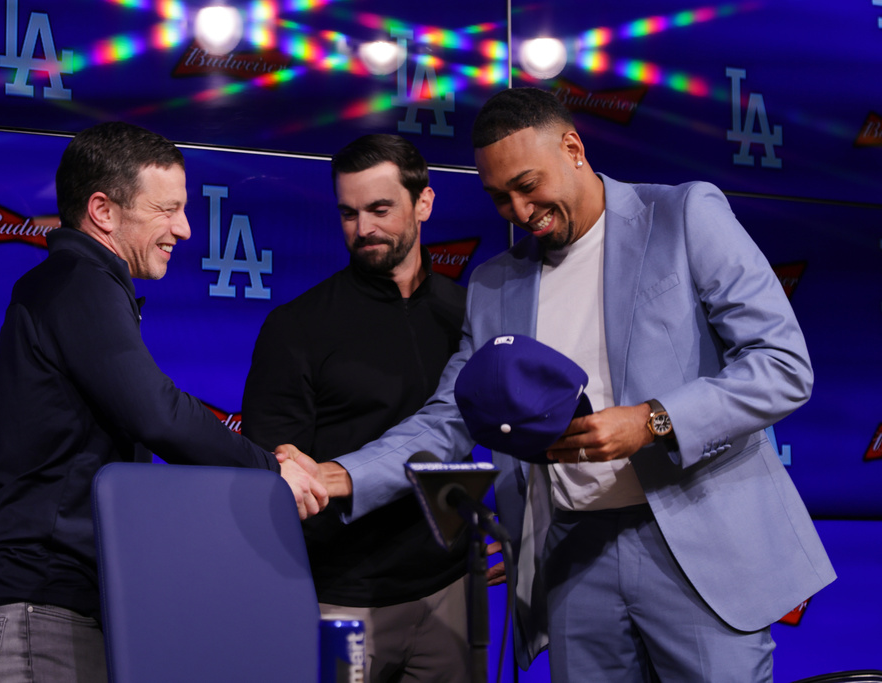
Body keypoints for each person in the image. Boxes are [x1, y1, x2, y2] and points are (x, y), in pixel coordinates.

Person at [280, 88, 835, 682]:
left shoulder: (683, 215)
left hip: (695, 542)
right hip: (573, 556)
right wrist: (342, 475)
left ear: (573, 147)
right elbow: (450, 417)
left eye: (527, 185)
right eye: (499, 199)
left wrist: (652, 420)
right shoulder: (494, 285)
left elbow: (781, 363)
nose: (520, 212)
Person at [0, 121, 327, 683]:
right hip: (33, 611)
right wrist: (270, 471)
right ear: (103, 210)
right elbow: (156, 411)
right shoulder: (80, 282)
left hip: (53, 611)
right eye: (167, 210)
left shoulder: (77, 283)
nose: (186, 228)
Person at [242, 134, 474, 682]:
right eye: (348, 213)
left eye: (379, 209)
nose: (363, 228)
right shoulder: (297, 327)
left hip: (450, 593)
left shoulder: (468, 313)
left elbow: (468, 434)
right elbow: (276, 473)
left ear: (424, 203)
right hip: (339, 602)